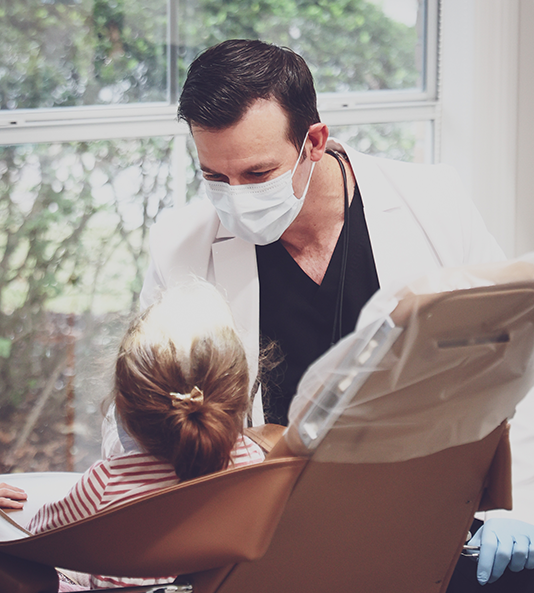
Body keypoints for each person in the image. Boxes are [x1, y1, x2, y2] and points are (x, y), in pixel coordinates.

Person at [135, 39, 534, 590]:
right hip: (271, 536)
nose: (236, 198)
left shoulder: (431, 203)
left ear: (314, 142)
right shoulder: (181, 247)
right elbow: (141, 410)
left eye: (257, 174)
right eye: (214, 177)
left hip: (430, 515)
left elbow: (515, 355)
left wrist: (520, 503)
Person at [26, 281, 264, 590]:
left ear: (123, 410)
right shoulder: (252, 463)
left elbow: (39, 536)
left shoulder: (105, 483)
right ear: (239, 396)